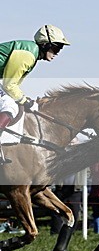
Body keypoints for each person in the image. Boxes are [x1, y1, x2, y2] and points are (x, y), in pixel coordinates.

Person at [0, 25, 70, 163]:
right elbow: (9, 85)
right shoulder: (28, 54)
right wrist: (24, 101)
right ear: (45, 44)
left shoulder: (32, 53)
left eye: (60, 49)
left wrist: (23, 99)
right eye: (56, 47)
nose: (57, 52)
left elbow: (13, 85)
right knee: (10, 105)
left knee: (12, 102)